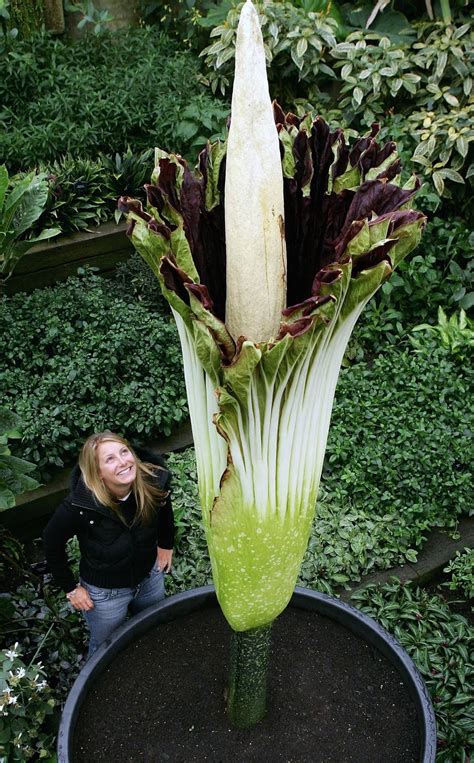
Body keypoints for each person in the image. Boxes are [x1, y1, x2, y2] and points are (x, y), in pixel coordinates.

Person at [43, 431, 174, 657]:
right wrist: (70, 588)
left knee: (154, 629)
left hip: (149, 577)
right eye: (110, 459)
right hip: (106, 595)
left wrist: (166, 544)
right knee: (105, 650)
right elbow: (50, 542)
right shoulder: (80, 506)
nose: (123, 462)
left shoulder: (153, 480)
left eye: (124, 452)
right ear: (98, 473)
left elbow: (163, 508)